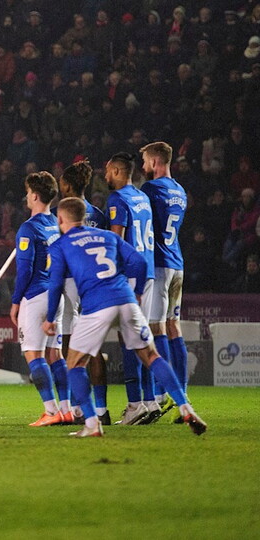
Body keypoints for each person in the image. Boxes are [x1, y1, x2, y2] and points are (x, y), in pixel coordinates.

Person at [43, 197, 206, 437]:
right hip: (126, 299)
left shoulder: (60, 245)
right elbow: (139, 262)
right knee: (151, 356)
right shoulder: (108, 236)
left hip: (97, 304)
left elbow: (56, 284)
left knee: (74, 364)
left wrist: (49, 318)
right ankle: (185, 407)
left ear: (60, 219)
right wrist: (138, 292)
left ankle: (92, 423)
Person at [52, 160, 111, 423]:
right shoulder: (98, 214)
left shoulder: (60, 214)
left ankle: (76, 407)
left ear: (66, 186)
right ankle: (101, 409)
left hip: (69, 282)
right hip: (96, 282)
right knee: (94, 347)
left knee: (68, 344)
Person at [11, 171, 70, 426]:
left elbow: (24, 270)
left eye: (28, 192)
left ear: (35, 196)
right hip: (56, 294)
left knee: (34, 354)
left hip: (35, 296)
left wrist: (15, 301)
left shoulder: (29, 228)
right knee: (55, 354)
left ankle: (51, 410)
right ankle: (67, 409)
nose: (26, 196)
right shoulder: (57, 224)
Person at [105, 152, 159, 425]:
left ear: (117, 171)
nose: (105, 176)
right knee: (142, 336)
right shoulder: (142, 197)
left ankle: (135, 404)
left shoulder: (118, 199)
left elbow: (117, 241)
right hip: (147, 272)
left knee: (128, 340)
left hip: (128, 276)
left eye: (107, 171)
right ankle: (150, 400)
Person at [139, 142, 189, 423]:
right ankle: (183, 393)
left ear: (156, 162)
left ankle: (161, 394)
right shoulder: (180, 191)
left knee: (154, 327)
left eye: (145, 162)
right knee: (173, 326)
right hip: (177, 263)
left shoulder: (151, 189)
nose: (143, 167)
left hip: (159, 265)